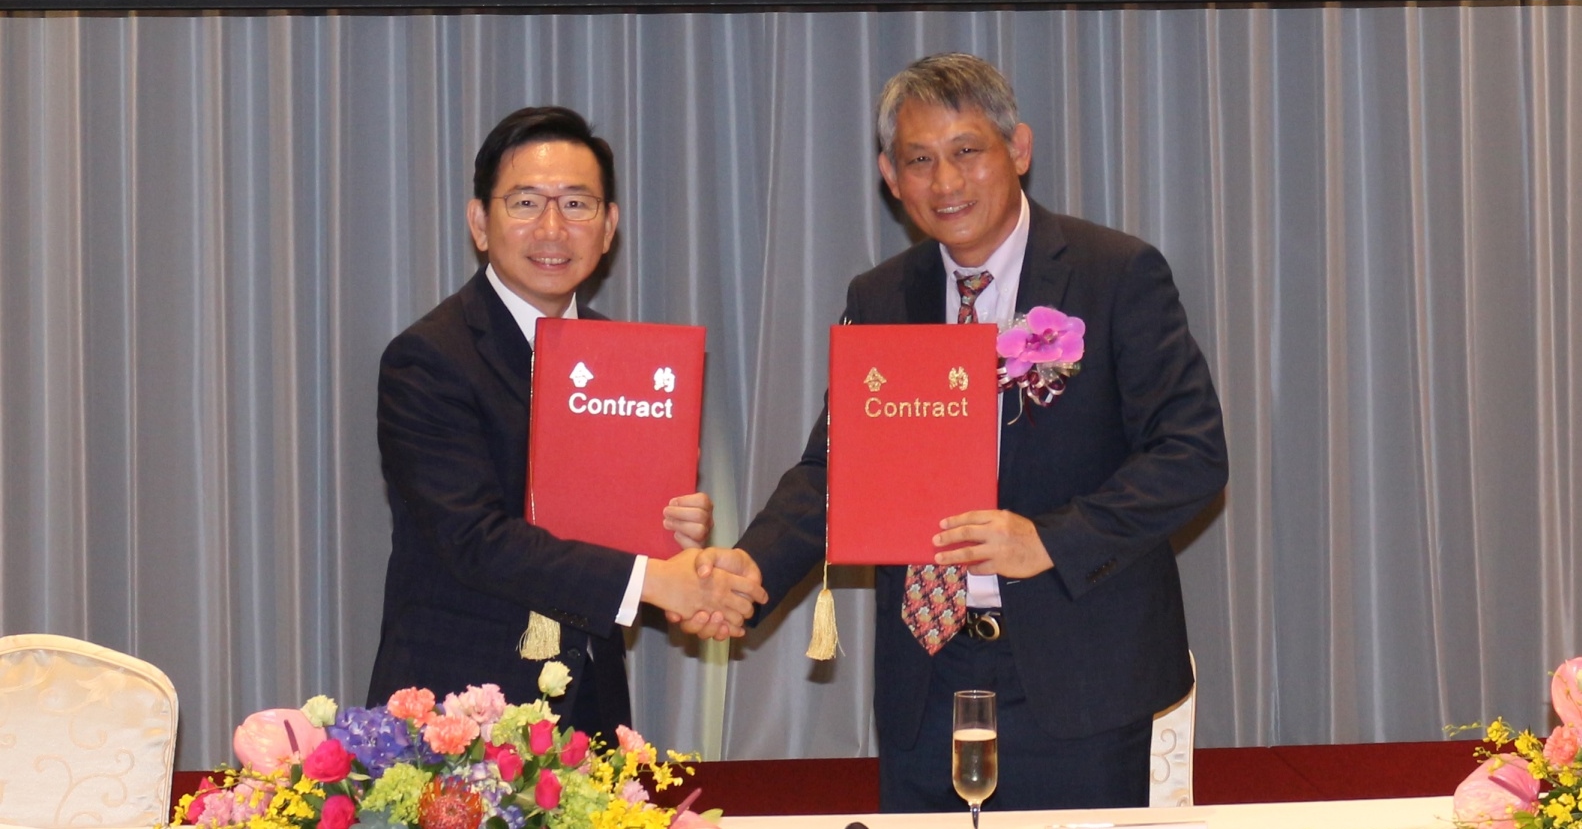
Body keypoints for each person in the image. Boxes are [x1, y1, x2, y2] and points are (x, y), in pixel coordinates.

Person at [720, 54, 1228, 811]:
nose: (946, 182)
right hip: (927, 674)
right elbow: (838, 467)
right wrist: (743, 572)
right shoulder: (882, 296)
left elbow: (1191, 454)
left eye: (967, 151)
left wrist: (1049, 540)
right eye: (920, 160)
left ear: (1018, 149)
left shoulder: (1114, 273)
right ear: (891, 177)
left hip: (1077, 675)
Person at [369, 105, 766, 743]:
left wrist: (672, 536)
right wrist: (653, 580)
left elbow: (609, 529)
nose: (552, 228)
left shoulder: (626, 360)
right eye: (526, 202)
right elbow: (476, 540)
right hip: (458, 719)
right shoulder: (429, 358)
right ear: (480, 223)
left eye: (577, 205)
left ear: (608, 227)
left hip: (589, 708)